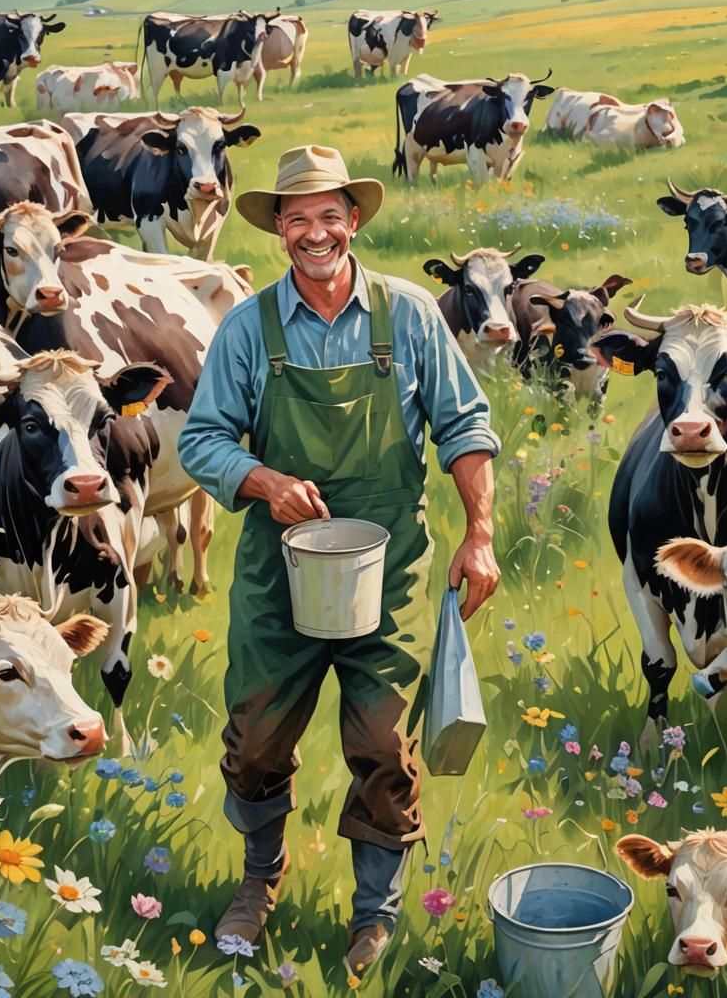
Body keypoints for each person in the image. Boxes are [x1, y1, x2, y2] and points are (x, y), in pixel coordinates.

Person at [178, 144, 500, 974]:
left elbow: (464, 426)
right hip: (275, 574)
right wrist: (261, 479)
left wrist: (481, 533)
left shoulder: (411, 316)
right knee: (252, 743)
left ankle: (375, 913)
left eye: (330, 216)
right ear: (279, 229)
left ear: (353, 222)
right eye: (298, 219)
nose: (314, 233)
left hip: (387, 572)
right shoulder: (250, 326)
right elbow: (201, 439)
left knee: (385, 745)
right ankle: (259, 879)